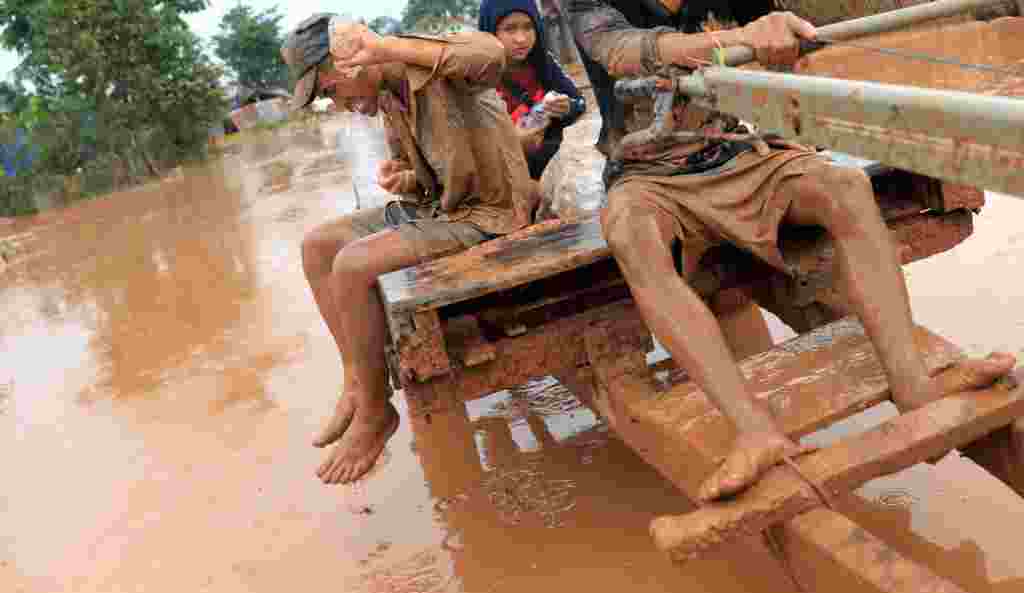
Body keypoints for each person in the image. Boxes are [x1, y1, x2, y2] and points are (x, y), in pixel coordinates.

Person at [564, 0, 1016, 501]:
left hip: (736, 153)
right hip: (649, 174)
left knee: (844, 186)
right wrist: (744, 38)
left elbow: (785, 47)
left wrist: (788, 61)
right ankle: (755, 432)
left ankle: (913, 385)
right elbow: (622, 52)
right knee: (630, 233)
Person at [283, 14, 537, 484]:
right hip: (440, 210)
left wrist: (386, 46)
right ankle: (357, 377)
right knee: (319, 247)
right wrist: (405, 175)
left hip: (488, 215)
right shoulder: (388, 99)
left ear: (350, 62)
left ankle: (377, 412)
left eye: (329, 90)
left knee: (353, 265)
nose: (336, 103)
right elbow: (424, 176)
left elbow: (491, 55)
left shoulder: (428, 63)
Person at [479, 0, 587, 179]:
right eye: (509, 29)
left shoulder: (544, 63)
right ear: (490, 32)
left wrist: (567, 107)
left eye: (528, 27)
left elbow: (580, 102)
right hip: (510, 174)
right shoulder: (479, 79)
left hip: (554, 160)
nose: (521, 39)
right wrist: (514, 143)